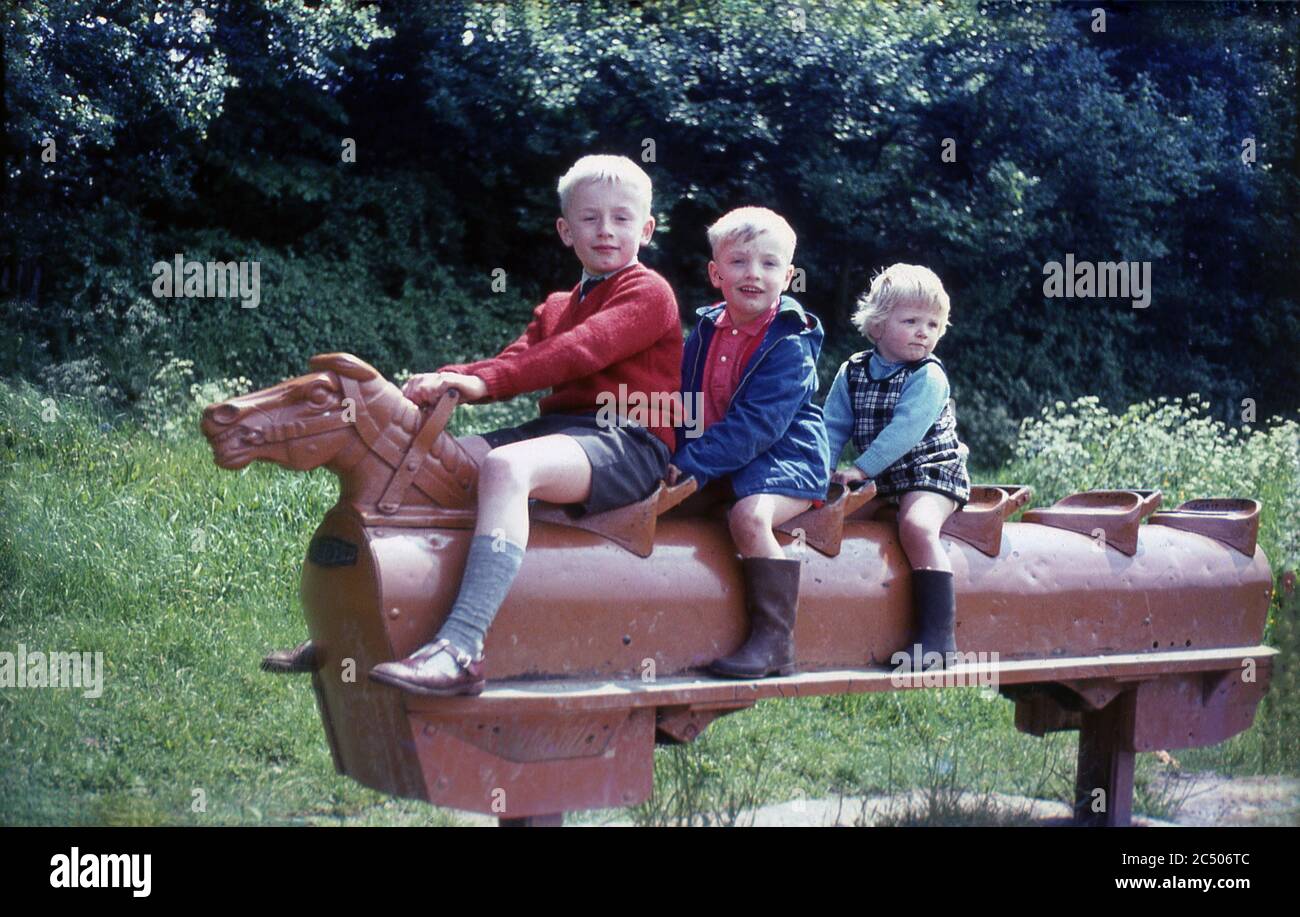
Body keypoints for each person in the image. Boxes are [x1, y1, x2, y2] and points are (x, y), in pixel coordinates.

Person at [265, 154, 683, 695]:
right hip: (565, 434)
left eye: (622, 219)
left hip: (628, 440)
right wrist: (450, 377)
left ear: (646, 230)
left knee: (508, 468)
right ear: (565, 230)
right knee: (434, 468)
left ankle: (461, 649)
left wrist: (483, 383)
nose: (605, 230)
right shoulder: (557, 305)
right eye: (589, 218)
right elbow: (519, 356)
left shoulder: (649, 293)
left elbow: (577, 352)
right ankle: (356, 632)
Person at [668, 207, 830, 679]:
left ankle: (775, 642)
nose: (753, 274)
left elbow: (758, 426)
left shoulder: (789, 345)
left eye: (769, 264)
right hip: (725, 456)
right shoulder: (704, 330)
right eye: (739, 262)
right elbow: (686, 400)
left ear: (789, 275)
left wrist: (693, 463)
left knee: (749, 517)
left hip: (786, 457)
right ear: (716, 273)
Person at [822, 263, 971, 671]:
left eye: (933, 323)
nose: (924, 332)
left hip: (931, 472)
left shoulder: (928, 375)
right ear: (877, 325)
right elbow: (833, 426)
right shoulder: (852, 371)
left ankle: (940, 638)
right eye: (911, 321)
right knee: (833, 518)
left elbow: (905, 432)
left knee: (917, 526)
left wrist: (862, 469)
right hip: (883, 478)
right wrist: (819, 472)